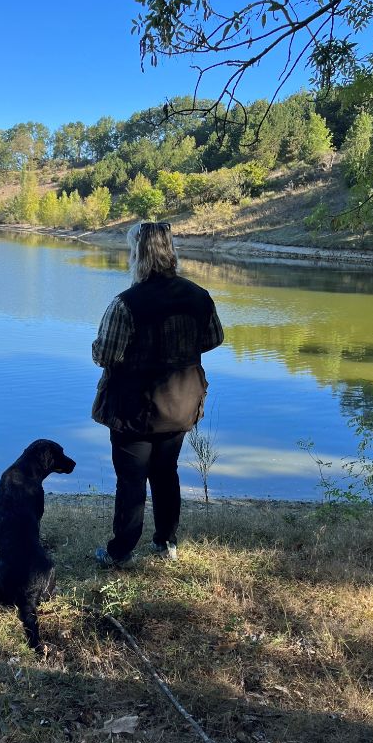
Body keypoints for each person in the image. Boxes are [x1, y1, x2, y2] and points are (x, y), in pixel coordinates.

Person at [91, 221, 224, 567]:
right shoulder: (198, 296)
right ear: (170, 251)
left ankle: (120, 552)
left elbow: (105, 354)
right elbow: (213, 338)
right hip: (179, 404)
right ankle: (166, 543)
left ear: (138, 253)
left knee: (131, 479)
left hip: (132, 409)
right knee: (166, 473)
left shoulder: (125, 303)